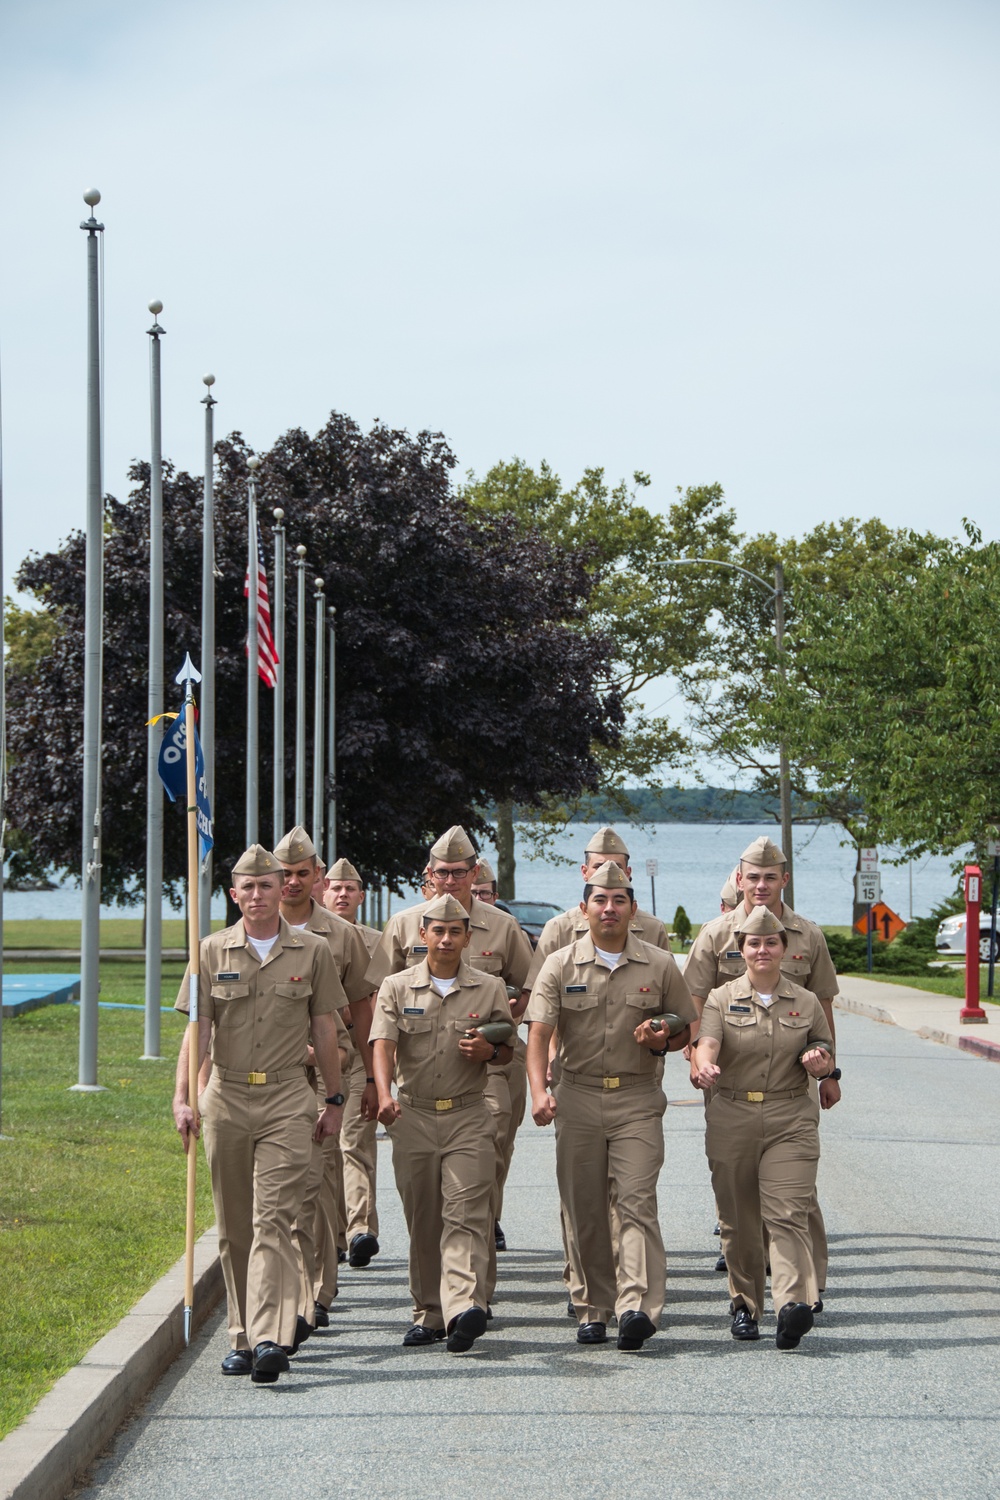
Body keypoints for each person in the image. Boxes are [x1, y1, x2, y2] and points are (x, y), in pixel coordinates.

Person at [171, 844, 346, 1384]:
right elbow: (197, 1031)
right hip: (225, 1098)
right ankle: (242, 1337)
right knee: (234, 1225)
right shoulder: (209, 950)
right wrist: (182, 1097)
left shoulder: (312, 950)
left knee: (274, 1217)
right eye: (246, 887)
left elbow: (324, 1029)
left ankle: (271, 1336)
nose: (257, 895)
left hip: (288, 1098)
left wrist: (335, 1100)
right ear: (233, 894)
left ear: (284, 890)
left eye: (266, 885)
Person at [525, 861, 697, 1351]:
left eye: (619, 900)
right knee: (585, 1207)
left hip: (638, 1098)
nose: (609, 908)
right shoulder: (560, 965)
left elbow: (687, 1026)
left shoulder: (660, 964)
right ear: (584, 909)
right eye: (600, 900)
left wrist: (664, 1037)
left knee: (636, 1200)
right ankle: (592, 1307)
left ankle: (636, 1306)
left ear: (632, 909)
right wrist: (540, 1091)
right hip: (577, 1096)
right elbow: (538, 1034)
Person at [366, 825, 531, 1289]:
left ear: (475, 872)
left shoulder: (501, 925)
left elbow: (529, 986)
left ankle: (472, 1279)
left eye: (461, 872)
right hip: (419, 1074)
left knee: (487, 1147)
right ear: (429, 874)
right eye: (443, 872)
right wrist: (380, 1085)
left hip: (484, 1071)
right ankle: (433, 1300)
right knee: (425, 1205)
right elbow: (381, 998)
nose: (451, 879)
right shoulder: (404, 924)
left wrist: (498, 1027)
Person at [684, 835, 841, 1285]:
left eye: (770, 877)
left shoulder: (807, 934)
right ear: (740, 878)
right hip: (729, 1081)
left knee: (796, 1192)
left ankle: (804, 1282)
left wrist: (831, 1071)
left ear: (784, 880)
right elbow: (695, 1004)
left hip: (794, 1085)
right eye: (752, 877)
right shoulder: (716, 935)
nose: (761, 885)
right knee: (737, 1180)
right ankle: (746, 1262)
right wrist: (698, 1059)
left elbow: (823, 1009)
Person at [370, 894, 514, 1352]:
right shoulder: (397, 987)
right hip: (413, 1114)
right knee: (424, 1217)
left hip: (469, 1114)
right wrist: (383, 1094)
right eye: (438, 930)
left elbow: (508, 1044)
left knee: (467, 1213)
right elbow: (382, 1043)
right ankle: (429, 1312)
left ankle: (464, 1306)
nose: (447, 939)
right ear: (423, 935)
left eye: (456, 931)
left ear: (468, 937)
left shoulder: (489, 988)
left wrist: (490, 1053)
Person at [692, 905, 836, 1349]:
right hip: (733, 1114)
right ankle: (745, 1305)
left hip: (790, 1117)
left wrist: (820, 1063)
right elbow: (707, 1041)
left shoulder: (805, 1001)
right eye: (753, 943)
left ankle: (791, 1304)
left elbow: (824, 1051)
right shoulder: (721, 997)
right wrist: (703, 1066)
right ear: (741, 950)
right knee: (738, 1220)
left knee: (787, 1212)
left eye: (771, 942)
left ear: (784, 949)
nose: (762, 950)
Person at [323, 856, 383, 1268]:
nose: (342, 894)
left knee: (354, 1142)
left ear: (361, 896)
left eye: (350, 889)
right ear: (322, 891)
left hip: (359, 1055)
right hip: (316, 1058)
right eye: (335, 888)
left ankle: (361, 1228)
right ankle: (336, 1233)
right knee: (325, 1150)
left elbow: (381, 999)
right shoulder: (305, 937)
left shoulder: (376, 942)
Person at [524, 827, 670, 989]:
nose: (608, 872)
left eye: (616, 866)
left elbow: (669, 995)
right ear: (584, 872)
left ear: (628, 873)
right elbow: (536, 993)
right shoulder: (559, 929)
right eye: (599, 866)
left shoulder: (653, 929)